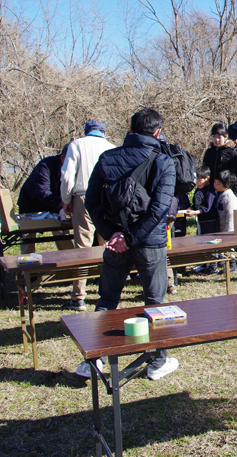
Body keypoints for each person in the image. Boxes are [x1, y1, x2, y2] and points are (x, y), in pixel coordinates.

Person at [78, 108, 178, 381]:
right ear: (158, 132)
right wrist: (131, 236)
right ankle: (157, 361)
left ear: (130, 130)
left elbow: (91, 202)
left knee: (107, 299)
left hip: (116, 242)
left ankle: (92, 361)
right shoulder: (163, 162)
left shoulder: (107, 158)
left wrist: (113, 234)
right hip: (150, 242)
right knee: (155, 302)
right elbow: (159, 208)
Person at [60, 120, 115, 310]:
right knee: (108, 245)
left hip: (83, 197)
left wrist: (66, 201)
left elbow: (67, 176)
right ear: (104, 132)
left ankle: (78, 295)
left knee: (82, 247)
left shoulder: (76, 145)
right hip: (107, 197)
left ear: (86, 132)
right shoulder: (111, 147)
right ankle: (108, 291)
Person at [17, 145, 75, 255]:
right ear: (62, 158)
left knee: (62, 231)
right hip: (31, 204)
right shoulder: (45, 165)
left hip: (55, 205)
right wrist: (63, 204)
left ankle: (71, 261)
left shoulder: (74, 168)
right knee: (28, 235)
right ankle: (26, 268)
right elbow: (42, 191)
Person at [203, 123, 237, 199]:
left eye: (219, 137)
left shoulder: (231, 153)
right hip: (210, 191)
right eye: (214, 137)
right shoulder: (209, 152)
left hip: (226, 191)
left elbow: (236, 177)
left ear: (226, 136)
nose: (216, 140)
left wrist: (236, 195)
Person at [185, 165, 217, 235]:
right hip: (200, 219)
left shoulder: (209, 191)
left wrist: (194, 213)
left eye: (199, 180)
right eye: (196, 180)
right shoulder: (198, 189)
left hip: (209, 221)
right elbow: (196, 203)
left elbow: (206, 207)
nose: (197, 183)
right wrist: (191, 208)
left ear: (207, 178)